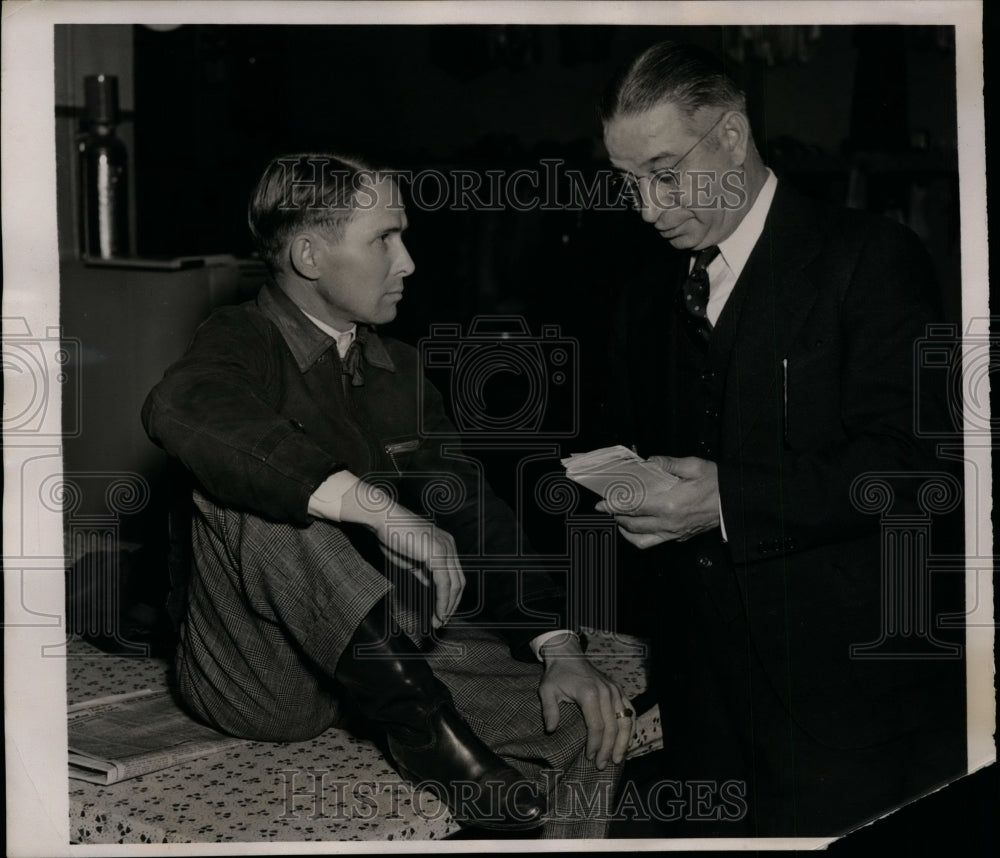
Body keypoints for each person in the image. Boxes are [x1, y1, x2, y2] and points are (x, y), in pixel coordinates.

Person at [142, 153, 633, 837]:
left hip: (376, 659)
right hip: (265, 679)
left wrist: (558, 644)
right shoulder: (237, 340)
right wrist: (376, 508)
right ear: (310, 255)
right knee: (260, 486)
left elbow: (472, 509)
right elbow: (183, 409)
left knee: (589, 714)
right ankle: (426, 732)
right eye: (384, 239)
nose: (408, 263)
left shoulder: (398, 369)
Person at [596, 41, 966, 837]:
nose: (647, 207)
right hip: (700, 703)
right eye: (628, 183)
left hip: (840, 704)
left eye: (664, 172)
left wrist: (727, 497)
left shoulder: (869, 259)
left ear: (731, 135)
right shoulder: (641, 298)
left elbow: (918, 466)